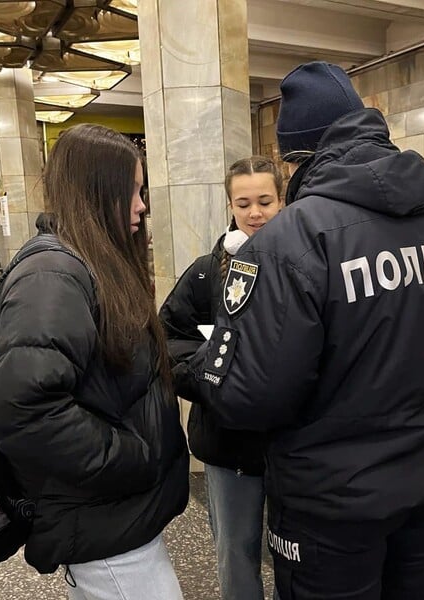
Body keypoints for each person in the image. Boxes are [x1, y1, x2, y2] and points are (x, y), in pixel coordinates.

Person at [178, 62, 424, 599]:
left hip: (331, 501)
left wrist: (195, 370)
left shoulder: (292, 240)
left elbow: (255, 399)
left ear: (297, 157)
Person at [0, 124, 189, 599]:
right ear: (97, 192)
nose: (142, 206)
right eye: (132, 191)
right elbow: (20, 403)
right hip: (105, 521)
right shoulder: (54, 272)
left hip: (112, 518)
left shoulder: (86, 262)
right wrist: (128, 457)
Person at [159, 156, 284, 600]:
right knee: (236, 553)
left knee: (301, 552)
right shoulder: (204, 273)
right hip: (229, 443)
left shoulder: (308, 266)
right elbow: (168, 339)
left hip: (296, 444)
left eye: (265, 201)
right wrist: (211, 374)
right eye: (243, 203)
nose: (255, 214)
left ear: (283, 201)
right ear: (230, 205)